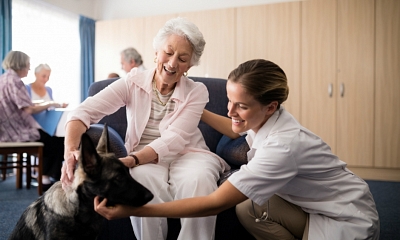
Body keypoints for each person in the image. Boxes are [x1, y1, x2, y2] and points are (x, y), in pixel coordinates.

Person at [94, 59, 380, 240]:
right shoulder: (267, 118)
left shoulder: (282, 146)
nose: (230, 110)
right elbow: (234, 127)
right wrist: (193, 109)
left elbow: (214, 203)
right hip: (313, 204)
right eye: (229, 101)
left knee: (238, 200)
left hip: (344, 220)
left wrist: (134, 211)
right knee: (249, 206)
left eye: (241, 106)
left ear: (270, 106)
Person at [61, 17, 229, 240]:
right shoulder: (132, 82)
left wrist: (131, 160)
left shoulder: (197, 91)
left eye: (182, 58)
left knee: (198, 179)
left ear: (189, 65)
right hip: (144, 155)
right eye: (168, 53)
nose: (172, 63)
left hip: (188, 153)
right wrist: (70, 150)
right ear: (156, 53)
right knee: (140, 178)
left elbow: (174, 139)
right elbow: (83, 112)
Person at [0, 51, 65, 190]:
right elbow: (28, 109)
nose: (29, 68)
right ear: (21, 64)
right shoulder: (15, 81)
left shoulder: (4, 79)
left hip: (5, 130)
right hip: (14, 131)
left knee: (51, 139)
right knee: (57, 140)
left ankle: (48, 176)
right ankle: (46, 179)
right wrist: (50, 103)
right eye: (28, 65)